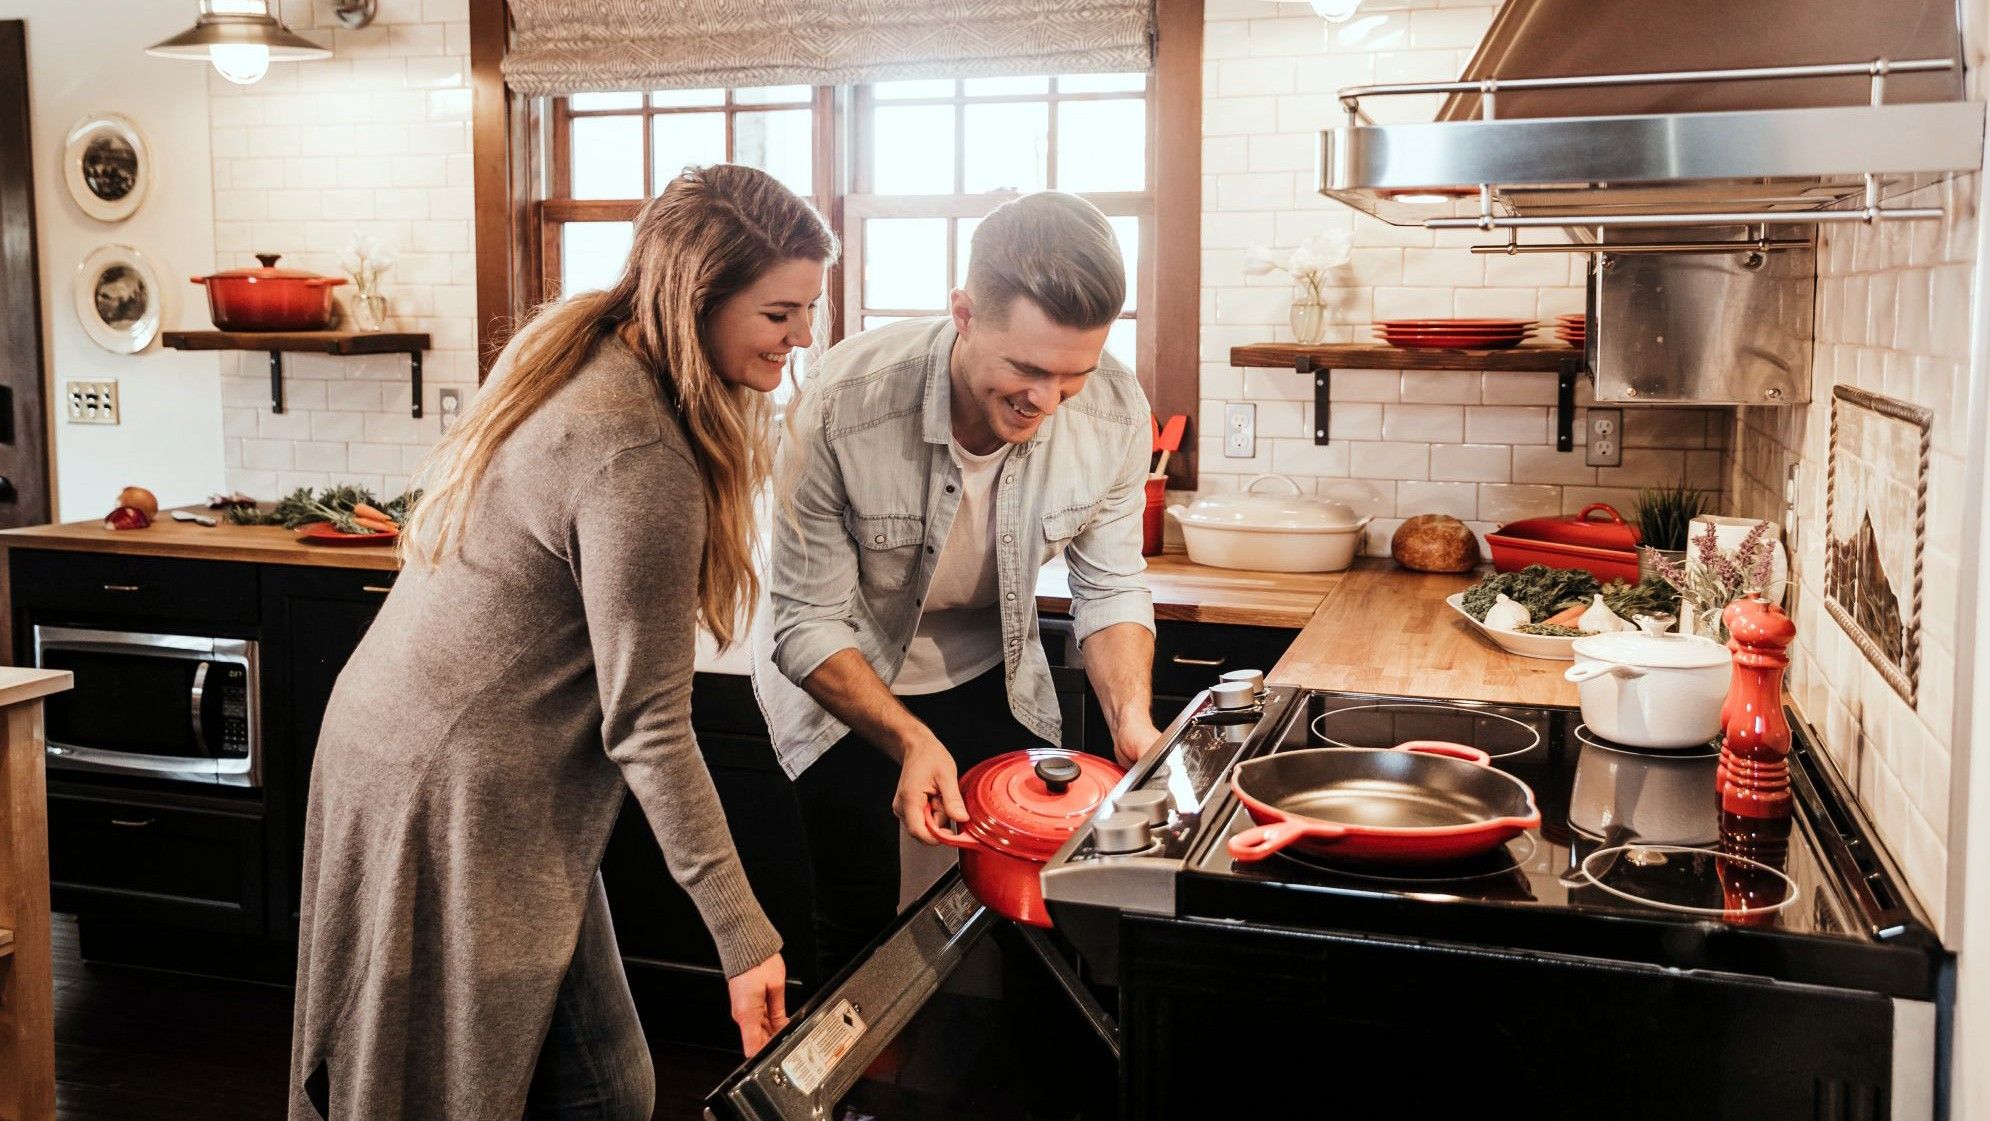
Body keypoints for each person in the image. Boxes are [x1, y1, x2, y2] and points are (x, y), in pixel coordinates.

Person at [288, 164, 837, 1121]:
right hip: (458, 785)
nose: (801, 338)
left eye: (808, 311)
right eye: (780, 312)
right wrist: (748, 939)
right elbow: (651, 728)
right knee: (560, 1088)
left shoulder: (577, 346)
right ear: (696, 295)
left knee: (595, 1078)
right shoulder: (638, 453)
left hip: (401, 744)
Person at [752, 190, 1162, 980]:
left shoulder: (1113, 410)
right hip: (844, 675)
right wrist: (909, 739)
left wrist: (1132, 719)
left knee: (1031, 911)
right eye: (1027, 368)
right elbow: (805, 620)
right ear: (965, 313)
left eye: (1071, 375)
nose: (1045, 401)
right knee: (862, 917)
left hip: (991, 669)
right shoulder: (842, 404)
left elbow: (1110, 586)